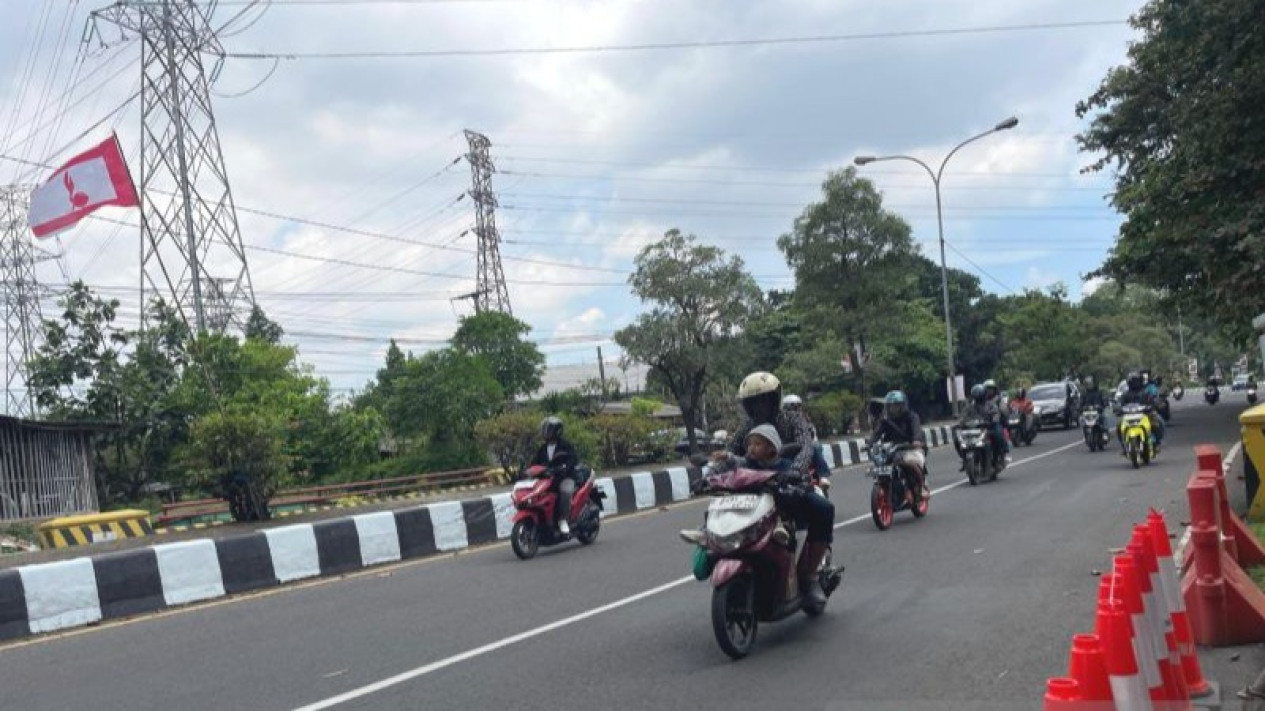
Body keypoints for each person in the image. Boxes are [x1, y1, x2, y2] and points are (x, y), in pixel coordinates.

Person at [720, 372, 835, 611]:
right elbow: (731, 454)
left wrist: (794, 471)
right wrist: (710, 474)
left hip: (790, 487)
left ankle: (810, 576)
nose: (758, 406)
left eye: (763, 400)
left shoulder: (793, 419)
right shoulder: (747, 428)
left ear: (774, 399)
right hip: (752, 490)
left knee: (824, 509)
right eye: (752, 402)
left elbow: (806, 448)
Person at [869, 390, 929, 500]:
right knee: (880, 465)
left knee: (911, 464)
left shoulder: (912, 417)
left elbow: (917, 430)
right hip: (892, 450)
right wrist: (869, 443)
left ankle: (921, 487)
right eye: (890, 406)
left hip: (911, 448)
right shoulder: (885, 420)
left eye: (896, 406)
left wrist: (916, 441)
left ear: (903, 406)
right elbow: (877, 433)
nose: (893, 409)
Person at [529, 415, 578, 535]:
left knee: (565, 491)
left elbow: (573, 459)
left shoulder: (565, 445)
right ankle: (545, 521)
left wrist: (565, 468)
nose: (546, 432)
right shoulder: (542, 448)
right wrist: (528, 471)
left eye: (549, 429)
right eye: (545, 429)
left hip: (565, 477)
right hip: (548, 479)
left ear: (557, 431)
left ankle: (563, 519)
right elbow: (534, 463)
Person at [781, 394, 832, 484]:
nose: (794, 409)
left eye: (797, 406)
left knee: (816, 446)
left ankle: (822, 475)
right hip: (788, 451)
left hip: (805, 448)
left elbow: (812, 436)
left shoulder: (805, 420)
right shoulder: (780, 421)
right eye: (791, 406)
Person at [959, 384, 1007, 468]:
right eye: (977, 397)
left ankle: (998, 458)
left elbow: (996, 413)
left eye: (980, 396)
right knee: (958, 439)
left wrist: (993, 420)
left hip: (989, 427)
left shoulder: (990, 404)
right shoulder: (970, 407)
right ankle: (964, 459)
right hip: (975, 429)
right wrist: (962, 423)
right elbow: (963, 417)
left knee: (998, 435)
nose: (978, 399)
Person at [1118, 371, 1164, 450]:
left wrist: (1154, 404)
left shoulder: (1145, 393)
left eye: (1136, 380)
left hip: (1146, 414)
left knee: (1158, 422)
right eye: (1132, 381)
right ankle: (1123, 444)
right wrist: (1117, 408)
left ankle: (1157, 442)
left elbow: (1153, 400)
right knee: (1119, 426)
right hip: (1129, 416)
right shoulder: (1125, 394)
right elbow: (1120, 403)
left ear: (1140, 381)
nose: (1134, 383)